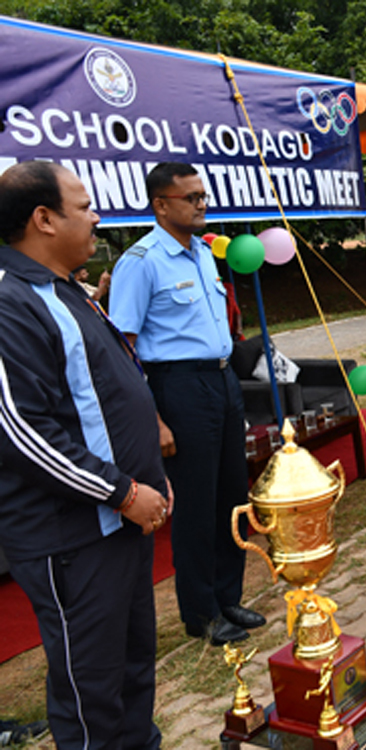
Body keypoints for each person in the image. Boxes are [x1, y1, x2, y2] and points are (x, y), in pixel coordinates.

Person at [0, 161, 170, 747]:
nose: (97, 215)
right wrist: (122, 491)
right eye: (84, 204)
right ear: (44, 219)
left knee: (131, 669)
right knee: (89, 690)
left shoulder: (64, 288)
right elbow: (24, 432)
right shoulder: (9, 302)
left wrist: (147, 473)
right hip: (71, 536)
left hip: (117, 524)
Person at [109, 162, 264, 646]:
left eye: (202, 194)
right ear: (161, 204)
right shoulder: (143, 261)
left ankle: (228, 596)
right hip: (178, 388)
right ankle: (200, 613)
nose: (201, 203)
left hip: (221, 382)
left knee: (232, 494)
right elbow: (122, 348)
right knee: (196, 503)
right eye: (190, 197)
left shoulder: (201, 252)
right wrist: (152, 418)